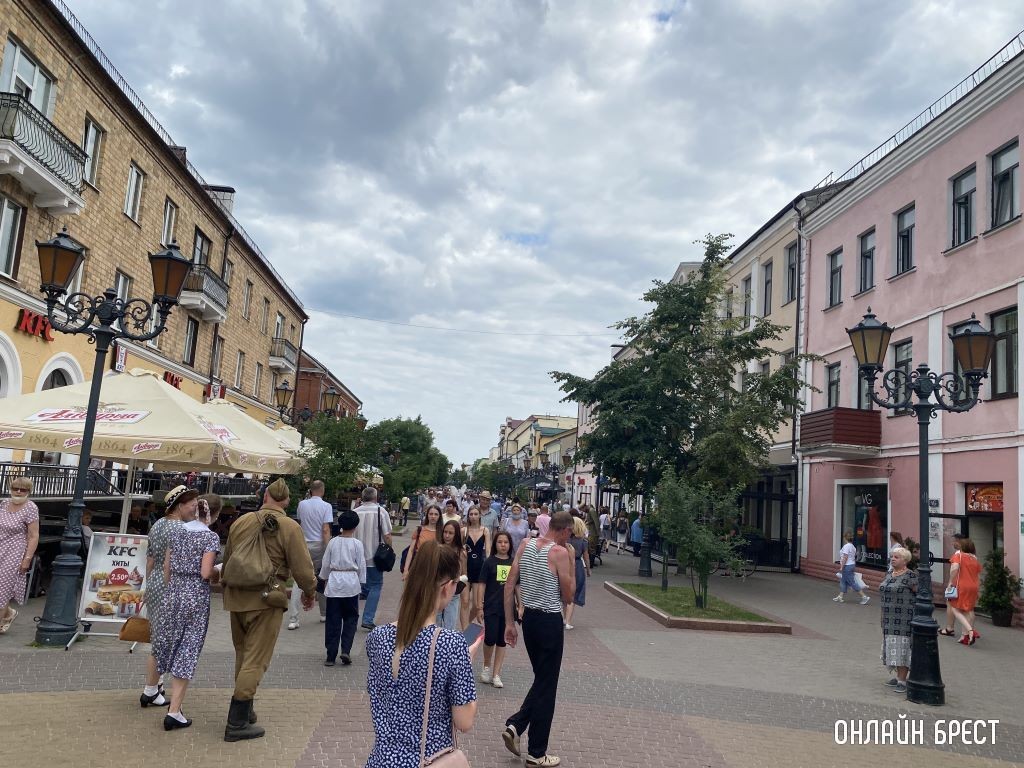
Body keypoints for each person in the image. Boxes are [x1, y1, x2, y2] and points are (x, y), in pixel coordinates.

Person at [364, 540, 481, 768]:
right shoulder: (451, 644)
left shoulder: (377, 637)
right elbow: (464, 721)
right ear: (447, 587)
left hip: (381, 760)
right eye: (457, 585)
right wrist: (465, 663)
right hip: (426, 760)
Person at [221, 478, 317, 742]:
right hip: (266, 600)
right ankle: (237, 722)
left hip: (236, 597)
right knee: (256, 659)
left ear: (264, 497)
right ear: (287, 501)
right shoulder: (290, 527)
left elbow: (228, 560)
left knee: (243, 654)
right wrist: (310, 592)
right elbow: (302, 569)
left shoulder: (241, 521)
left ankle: (247, 708)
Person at [502, 510, 576, 768]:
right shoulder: (560, 553)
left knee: (543, 680)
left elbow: (509, 584)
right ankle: (536, 752)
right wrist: (572, 564)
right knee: (547, 686)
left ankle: (516, 725)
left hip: (530, 620)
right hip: (549, 621)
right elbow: (569, 596)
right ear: (565, 530)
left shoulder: (525, 544)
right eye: (570, 534)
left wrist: (510, 623)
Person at [153, 496, 222, 730]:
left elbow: (166, 567)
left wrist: (171, 588)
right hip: (195, 596)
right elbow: (205, 572)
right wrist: (219, 569)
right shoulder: (210, 537)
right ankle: (174, 710)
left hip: (173, 593)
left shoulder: (177, 532)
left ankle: (165, 697)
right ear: (214, 514)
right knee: (188, 647)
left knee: (172, 642)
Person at [139, 485, 195, 708]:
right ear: (180, 506)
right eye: (192, 505)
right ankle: (150, 690)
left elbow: (150, 559)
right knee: (163, 642)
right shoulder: (181, 529)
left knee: (158, 637)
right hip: (169, 586)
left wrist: (147, 586)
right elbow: (170, 565)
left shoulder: (158, 524)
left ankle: (157, 685)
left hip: (154, 585)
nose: (194, 510)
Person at [319, 510, 366, 666]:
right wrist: (361, 582)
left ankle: (330, 655)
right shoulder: (357, 544)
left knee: (333, 619)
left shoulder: (333, 542)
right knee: (351, 618)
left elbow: (326, 563)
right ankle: (346, 650)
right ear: (355, 526)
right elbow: (361, 565)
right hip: (351, 583)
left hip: (334, 582)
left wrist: (323, 578)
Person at [287, 480, 333, 630]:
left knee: (298, 580)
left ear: (311, 490)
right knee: (321, 577)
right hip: (319, 545)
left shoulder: (302, 505)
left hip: (303, 544)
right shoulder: (326, 506)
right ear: (322, 490)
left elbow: (299, 524)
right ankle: (324, 613)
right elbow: (325, 529)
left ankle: (293, 618)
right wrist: (328, 548)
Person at [0, 478, 39, 635]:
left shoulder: (31, 507)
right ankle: (9, 613)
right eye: (15, 488)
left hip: (15, 551)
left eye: (23, 490)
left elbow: (34, 536)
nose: (18, 492)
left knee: (3, 588)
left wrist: (27, 559)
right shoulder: (3, 504)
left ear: (29, 492)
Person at [879, 546, 918, 693]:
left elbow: (920, 594)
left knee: (902, 647)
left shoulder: (911, 576)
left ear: (905, 560)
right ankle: (898, 676)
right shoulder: (890, 574)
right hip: (889, 617)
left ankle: (902, 680)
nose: (893, 559)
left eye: (896, 557)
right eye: (892, 557)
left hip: (904, 618)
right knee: (892, 647)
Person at [355, 486, 393, 630]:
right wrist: (389, 550)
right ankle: (367, 619)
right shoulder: (380, 511)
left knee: (356, 587)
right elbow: (387, 535)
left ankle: (351, 617)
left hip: (356, 557)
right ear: (376, 497)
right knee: (376, 585)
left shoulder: (355, 512)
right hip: (374, 557)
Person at [481, 531, 515, 689]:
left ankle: (496, 674)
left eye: (506, 542)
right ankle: (486, 666)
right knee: (490, 637)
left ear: (510, 545)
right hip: (491, 606)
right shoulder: (489, 562)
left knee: (502, 640)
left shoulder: (513, 563)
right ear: (495, 544)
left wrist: (520, 605)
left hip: (507, 608)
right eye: (500, 542)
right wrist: (479, 605)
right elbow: (482, 584)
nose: (503, 545)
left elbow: (517, 585)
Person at [944, 537, 982, 645]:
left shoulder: (958, 556)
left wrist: (950, 582)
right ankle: (964, 636)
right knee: (969, 610)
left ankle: (970, 631)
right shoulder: (974, 559)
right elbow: (978, 575)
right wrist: (978, 590)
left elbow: (955, 568)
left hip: (962, 585)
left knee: (955, 608)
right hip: (973, 586)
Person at [463, 506, 490, 627]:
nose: (473, 517)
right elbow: (458, 548)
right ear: (468, 516)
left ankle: (467, 624)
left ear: (479, 516)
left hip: (479, 568)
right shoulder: (463, 530)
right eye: (471, 514)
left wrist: (489, 568)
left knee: (476, 604)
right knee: (464, 601)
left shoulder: (485, 530)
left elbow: (488, 551)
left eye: (475, 514)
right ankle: (464, 629)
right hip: (465, 568)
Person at [436, 520, 465, 630]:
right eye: (445, 532)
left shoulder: (460, 552)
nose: (447, 536)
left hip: (452, 592)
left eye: (451, 533)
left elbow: (463, 573)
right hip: (437, 590)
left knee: (449, 625)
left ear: (456, 535)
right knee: (435, 624)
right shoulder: (437, 549)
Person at [563, 517, 591, 631]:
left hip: (565, 564)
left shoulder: (565, 540)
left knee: (564, 593)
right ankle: (568, 621)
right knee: (573, 594)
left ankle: (564, 618)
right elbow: (586, 556)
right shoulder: (583, 542)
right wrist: (588, 569)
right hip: (578, 565)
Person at [403, 504, 441, 579]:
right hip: (418, 565)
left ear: (439, 516)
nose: (433, 516)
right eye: (431, 514)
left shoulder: (442, 533)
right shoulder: (419, 530)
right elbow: (411, 550)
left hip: (435, 568)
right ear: (427, 515)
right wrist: (406, 569)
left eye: (436, 514)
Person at [833, 530, 869, 605]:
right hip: (851, 565)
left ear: (845, 538)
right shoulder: (853, 546)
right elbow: (854, 555)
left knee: (852, 582)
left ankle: (864, 596)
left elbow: (845, 557)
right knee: (843, 581)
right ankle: (840, 596)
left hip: (847, 566)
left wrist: (841, 567)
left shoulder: (846, 546)